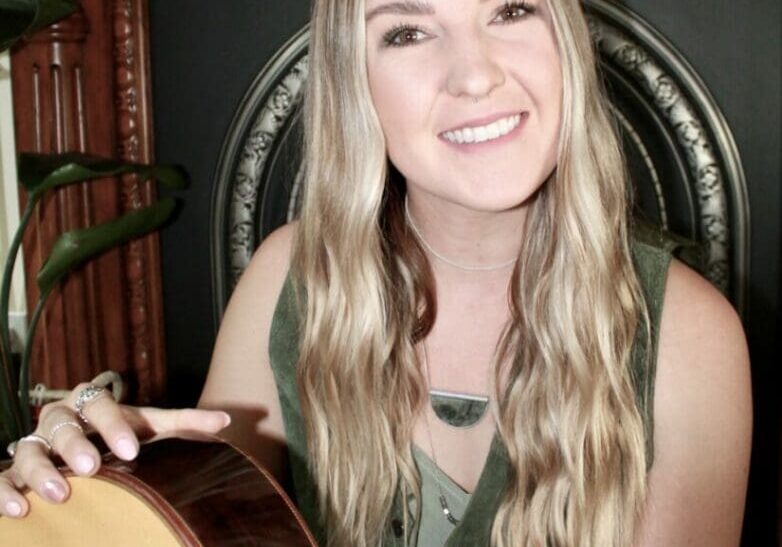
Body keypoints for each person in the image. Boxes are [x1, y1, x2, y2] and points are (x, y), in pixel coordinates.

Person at [0, 1, 751, 546]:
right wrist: (107, 484)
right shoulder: (283, 283)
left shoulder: (688, 334)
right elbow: (206, 522)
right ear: (354, 77)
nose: (474, 75)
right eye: (409, 31)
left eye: (512, 9)